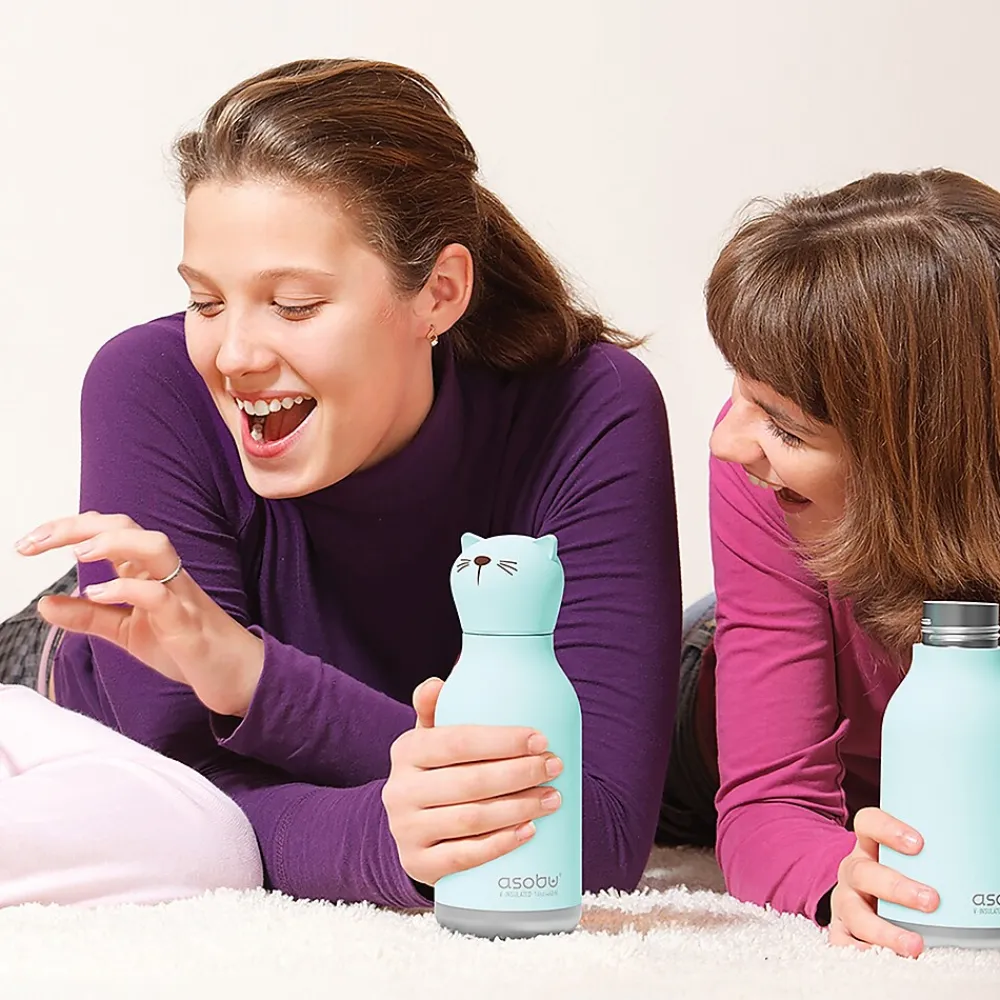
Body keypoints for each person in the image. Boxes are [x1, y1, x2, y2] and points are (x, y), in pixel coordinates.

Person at [5, 57, 681, 909]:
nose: (234, 355)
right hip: (59, 689)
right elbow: (191, 809)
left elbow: (598, 835)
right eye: (206, 303)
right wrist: (387, 838)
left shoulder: (589, 409)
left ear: (440, 293)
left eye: (294, 305)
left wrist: (246, 673)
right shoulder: (148, 385)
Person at [656, 167, 1000, 958]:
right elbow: (769, 801)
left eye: (783, 425)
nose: (725, 441)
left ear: (922, 461)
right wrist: (838, 874)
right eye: (741, 392)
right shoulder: (759, 476)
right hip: (713, 689)